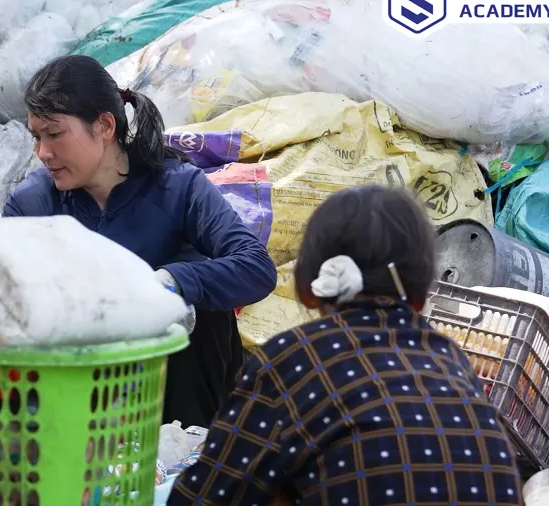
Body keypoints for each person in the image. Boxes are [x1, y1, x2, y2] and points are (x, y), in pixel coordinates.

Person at [167, 185, 523, 506]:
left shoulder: (293, 358)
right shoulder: (451, 359)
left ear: (309, 287)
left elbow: (204, 496)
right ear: (420, 295)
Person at [3, 55, 277, 427]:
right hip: (76, 392)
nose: (43, 153)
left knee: (200, 309)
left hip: (172, 392)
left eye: (54, 134)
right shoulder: (33, 204)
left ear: (103, 125)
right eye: (36, 137)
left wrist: (173, 283)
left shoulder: (177, 188)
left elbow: (257, 268)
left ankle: (187, 456)